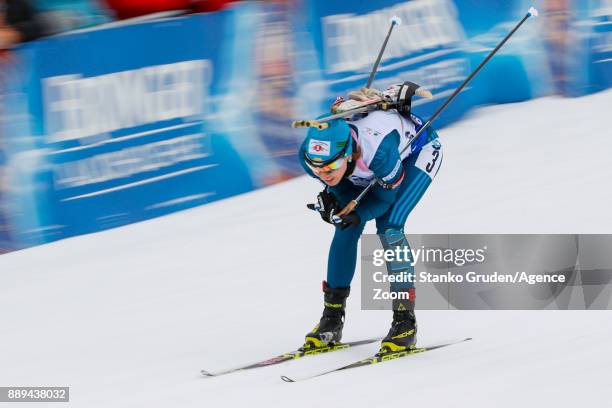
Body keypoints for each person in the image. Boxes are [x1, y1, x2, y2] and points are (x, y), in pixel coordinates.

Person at [298, 88, 443, 354]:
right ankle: (331, 319)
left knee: (389, 225)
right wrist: (338, 206)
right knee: (345, 228)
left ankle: (404, 323)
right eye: (317, 169)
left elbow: (384, 200)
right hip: (363, 169)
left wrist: (359, 213)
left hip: (413, 154)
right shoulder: (314, 157)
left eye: (329, 168)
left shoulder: (378, 152)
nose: (322, 173)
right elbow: (336, 184)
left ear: (347, 154)